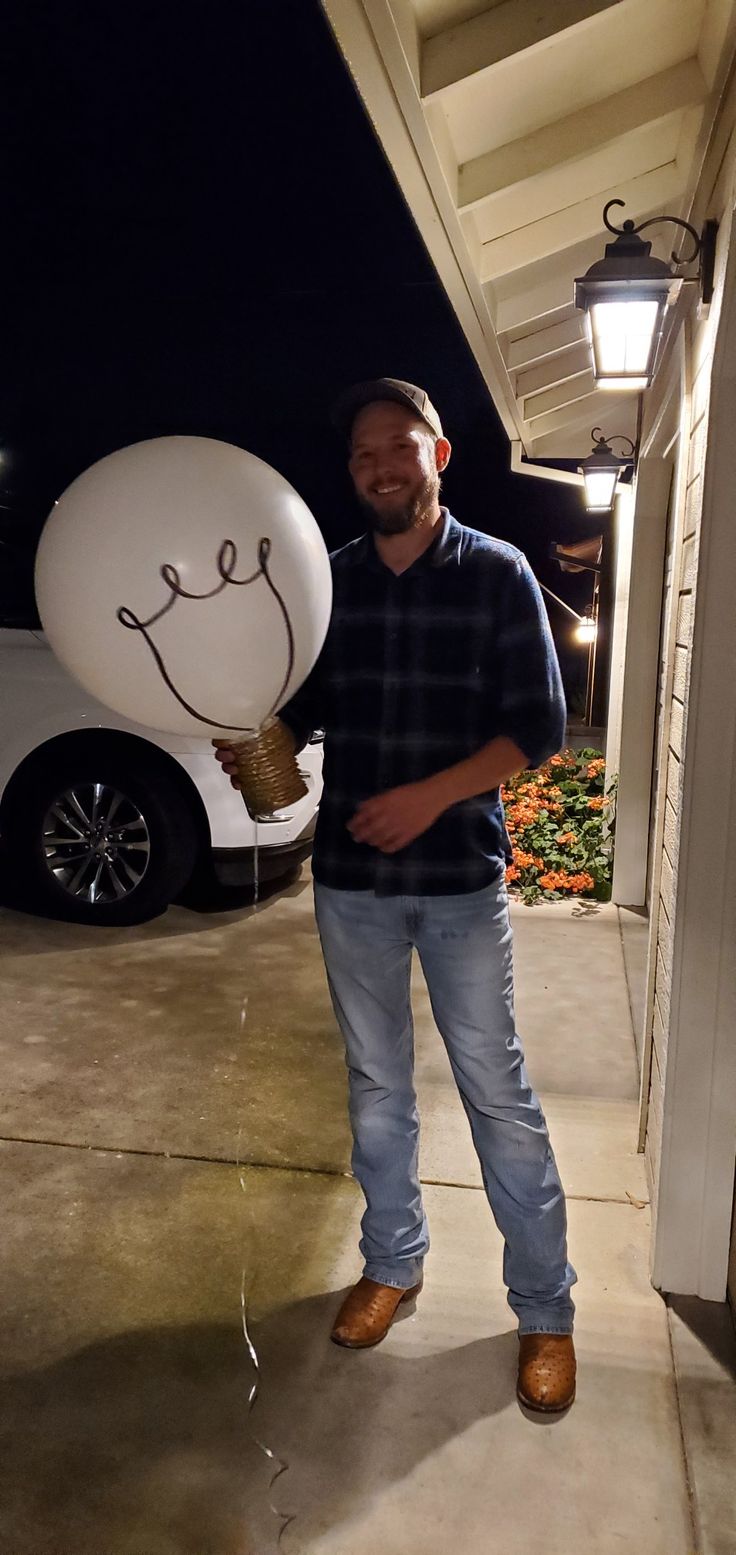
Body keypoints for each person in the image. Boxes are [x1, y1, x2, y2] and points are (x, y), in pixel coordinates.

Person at [215, 378, 577, 1412]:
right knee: (375, 1092)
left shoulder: (497, 574)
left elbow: (538, 728)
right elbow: (299, 722)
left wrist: (428, 796)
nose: (378, 465)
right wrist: (249, 741)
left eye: (397, 446)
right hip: (356, 889)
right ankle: (392, 1263)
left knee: (496, 1095)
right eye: (362, 454)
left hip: (459, 880)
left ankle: (545, 1310)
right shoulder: (328, 587)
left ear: (439, 455)